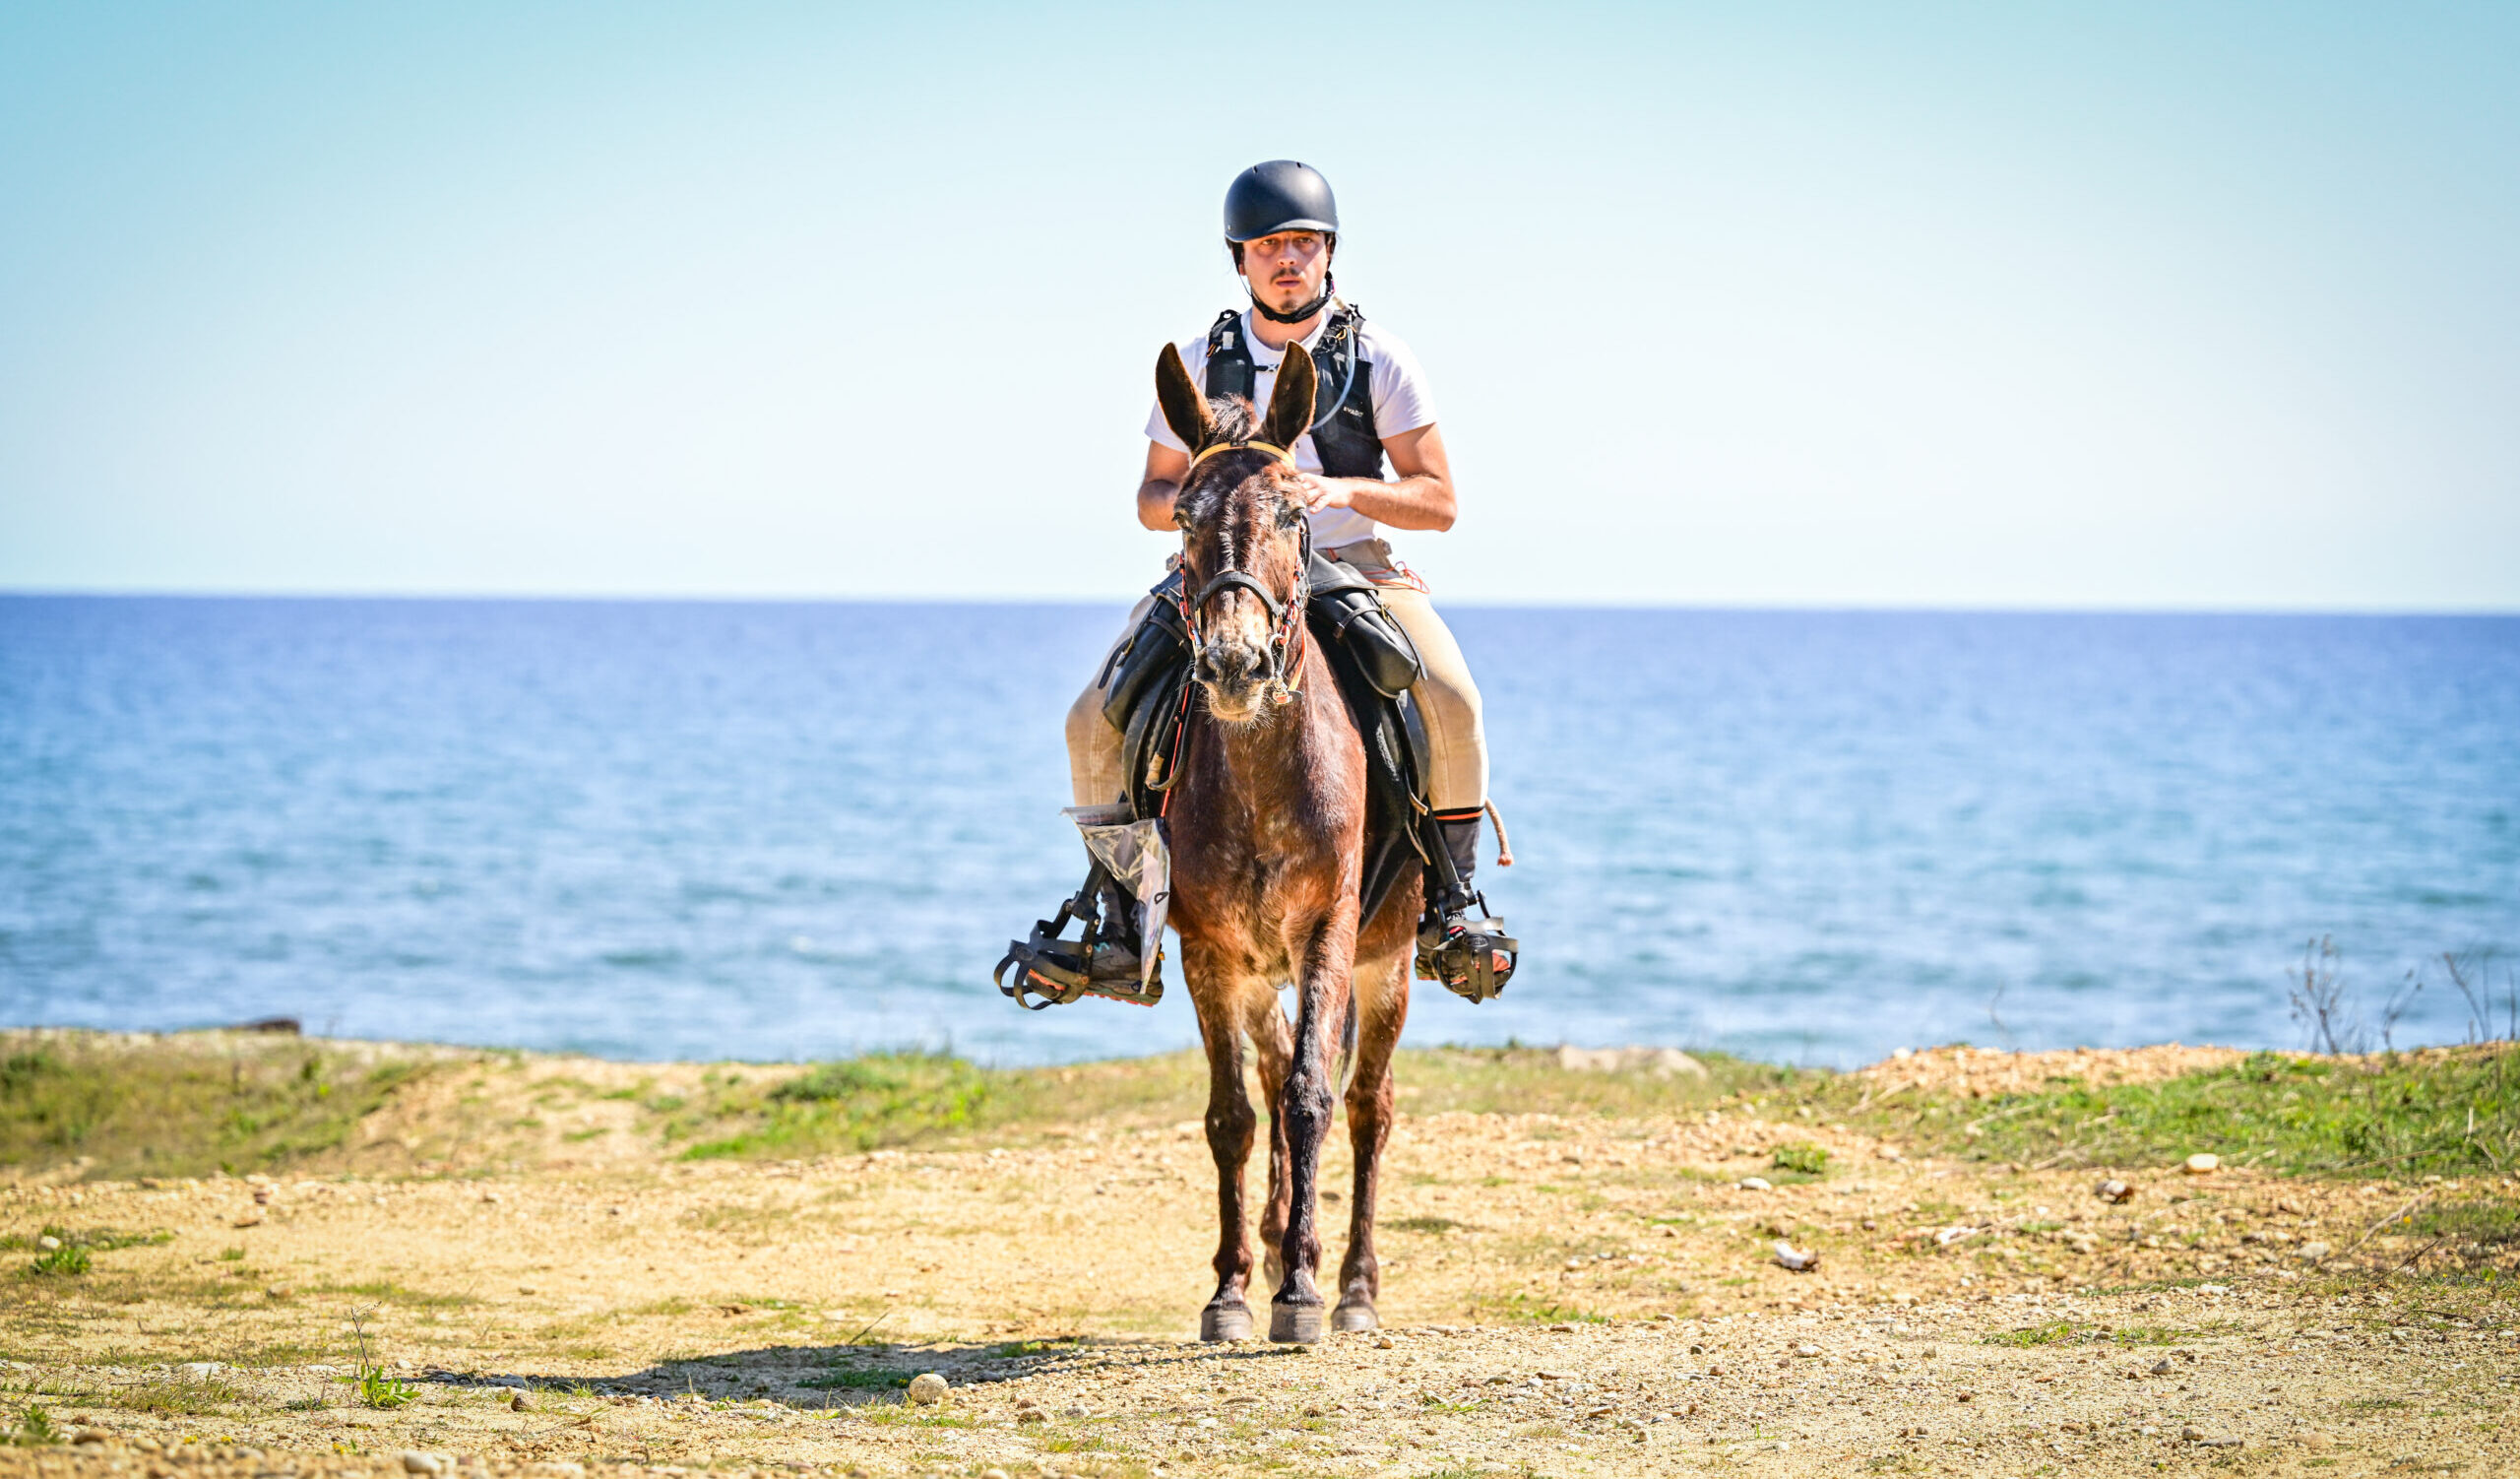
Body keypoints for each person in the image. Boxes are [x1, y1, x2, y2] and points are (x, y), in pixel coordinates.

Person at [1043, 160, 1513, 1001]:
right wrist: (1202, 497)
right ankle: (1119, 920)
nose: (1288, 260)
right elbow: (1152, 495)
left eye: (1303, 243)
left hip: (1354, 568)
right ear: (1240, 261)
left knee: (1454, 699)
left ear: (1329, 253)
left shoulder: (1380, 359)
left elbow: (1440, 502)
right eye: (1269, 247)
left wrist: (1347, 491)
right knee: (1089, 718)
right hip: (1226, 571)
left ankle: (1453, 903)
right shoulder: (1197, 361)